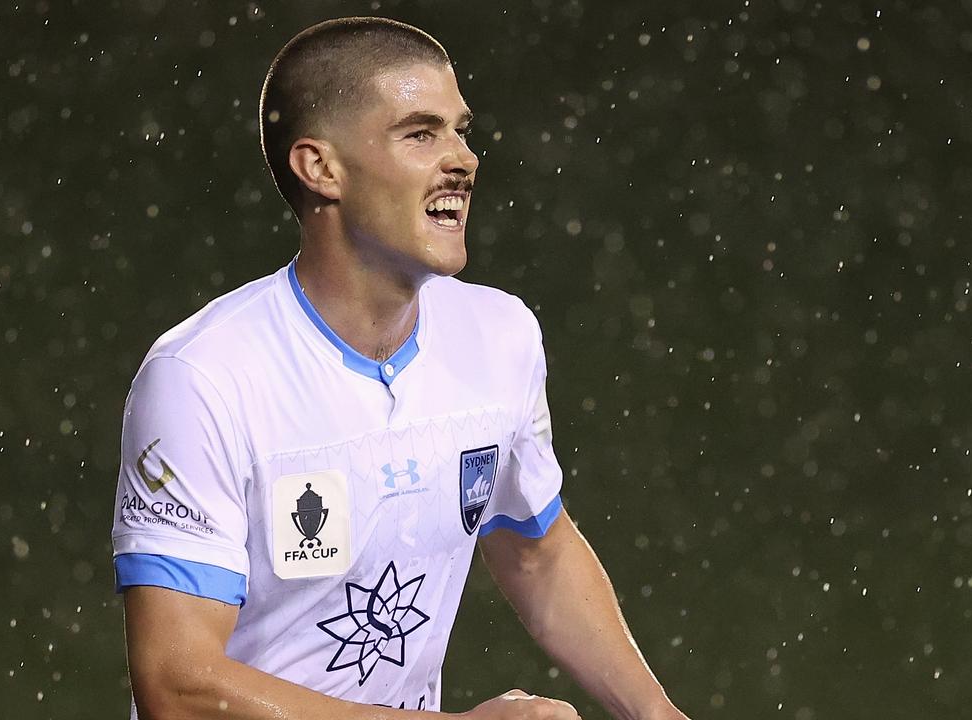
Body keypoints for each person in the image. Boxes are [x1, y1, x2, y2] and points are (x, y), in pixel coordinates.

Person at [111, 16, 691, 720]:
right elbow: (178, 686)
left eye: (461, 130)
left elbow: (537, 554)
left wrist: (659, 716)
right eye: (421, 133)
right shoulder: (200, 377)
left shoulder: (501, 334)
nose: (464, 159)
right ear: (320, 168)